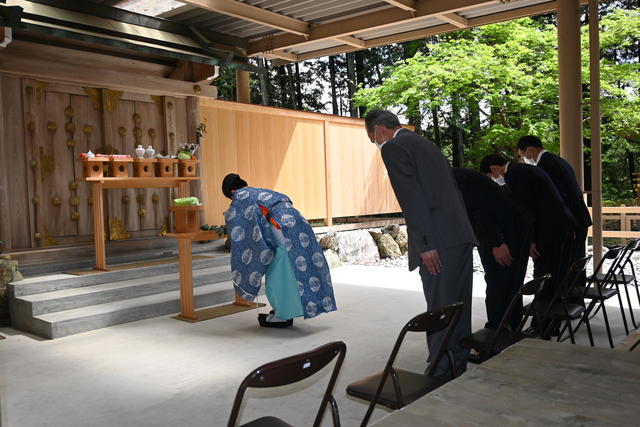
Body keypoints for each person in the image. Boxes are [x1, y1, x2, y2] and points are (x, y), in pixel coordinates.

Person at [365, 109, 475, 377]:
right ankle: (457, 360)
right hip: (458, 235)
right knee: (460, 304)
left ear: (379, 130)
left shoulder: (393, 148)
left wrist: (425, 245)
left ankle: (441, 369)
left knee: (440, 307)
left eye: (371, 137)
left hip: (437, 241)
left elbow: (412, 198)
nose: (374, 143)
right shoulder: (425, 143)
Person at [221, 173, 336, 326]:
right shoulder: (258, 191)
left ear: (231, 192)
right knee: (302, 270)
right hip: (298, 223)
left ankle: (283, 315)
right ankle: (303, 307)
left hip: (279, 227)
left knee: (279, 274)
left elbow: (239, 223)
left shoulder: (241, 196)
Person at [479, 155, 576, 319]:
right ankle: (551, 323)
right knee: (555, 274)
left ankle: (544, 323)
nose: (494, 180)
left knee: (545, 275)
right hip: (560, 225)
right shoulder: (523, 169)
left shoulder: (514, 174)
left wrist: (530, 240)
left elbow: (526, 209)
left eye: (490, 177)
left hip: (548, 229)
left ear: (494, 168)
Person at [453, 168, 532, 332]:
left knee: (499, 283)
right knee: (511, 284)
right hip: (516, 228)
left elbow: (480, 212)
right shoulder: (465, 175)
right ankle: (511, 330)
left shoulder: (456, 179)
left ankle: (495, 335)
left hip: (504, 233)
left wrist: (496, 243)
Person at [517, 135, 592, 260]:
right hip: (579, 218)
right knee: (576, 265)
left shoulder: (544, 166)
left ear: (529, 149)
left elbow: (556, 197)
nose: (523, 158)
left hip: (569, 223)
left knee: (565, 266)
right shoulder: (559, 160)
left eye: (522, 154)